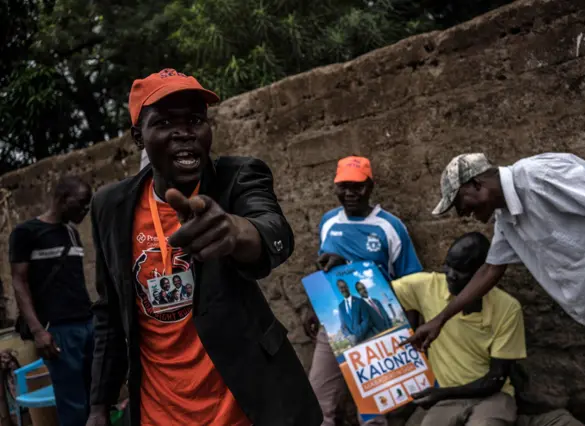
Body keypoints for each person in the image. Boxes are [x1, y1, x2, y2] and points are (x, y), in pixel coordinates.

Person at [87, 69, 321, 426]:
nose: (184, 133)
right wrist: (99, 406)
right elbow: (109, 311)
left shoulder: (238, 177)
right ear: (139, 136)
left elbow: (273, 230)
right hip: (159, 412)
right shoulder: (110, 207)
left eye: (195, 120)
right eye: (165, 122)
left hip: (243, 408)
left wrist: (235, 231)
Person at [407, 152, 585, 426]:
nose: (461, 213)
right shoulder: (507, 221)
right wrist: (440, 320)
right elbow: (490, 269)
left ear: (476, 184)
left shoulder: (537, 176)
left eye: (459, 202)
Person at [307, 156, 422, 426]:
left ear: (370, 187)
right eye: (343, 186)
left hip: (376, 326)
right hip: (334, 321)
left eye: (357, 186)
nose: (349, 193)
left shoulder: (389, 227)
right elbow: (326, 270)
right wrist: (313, 308)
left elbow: (411, 281)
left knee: (373, 412)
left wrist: (411, 334)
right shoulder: (328, 222)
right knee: (318, 400)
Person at [394, 232, 526, 425]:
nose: (451, 275)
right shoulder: (427, 287)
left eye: (462, 270)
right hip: (445, 400)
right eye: (448, 265)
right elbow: (370, 289)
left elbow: (495, 381)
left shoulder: (507, 308)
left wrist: (441, 393)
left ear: (482, 273)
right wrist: (343, 265)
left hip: (492, 397)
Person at [9, 176, 94, 426]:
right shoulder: (26, 233)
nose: (85, 210)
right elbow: (19, 281)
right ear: (62, 199)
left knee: (96, 398)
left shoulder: (72, 232)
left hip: (87, 324)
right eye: (81, 203)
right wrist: (38, 331)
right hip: (58, 330)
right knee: (73, 403)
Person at [336, 280, 373, 345]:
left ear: (348, 287)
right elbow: (343, 326)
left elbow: (366, 319)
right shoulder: (340, 307)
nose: (344, 289)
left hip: (367, 338)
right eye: (341, 288)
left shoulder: (359, 301)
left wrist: (358, 334)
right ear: (339, 290)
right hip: (355, 343)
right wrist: (349, 336)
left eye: (345, 287)